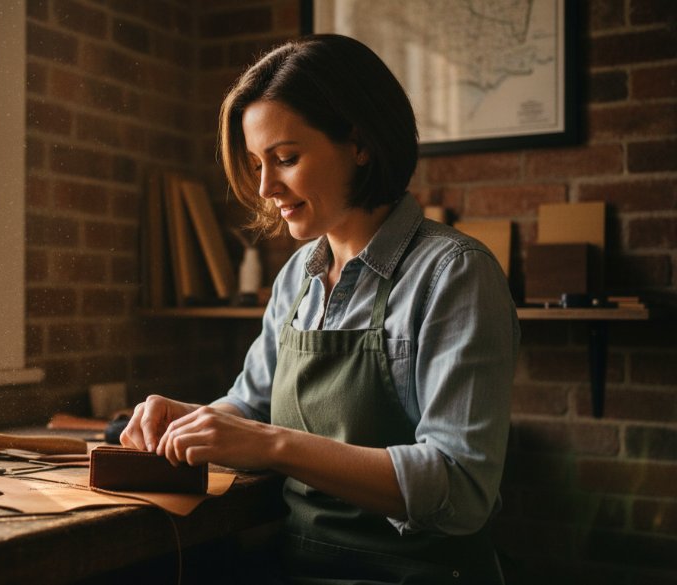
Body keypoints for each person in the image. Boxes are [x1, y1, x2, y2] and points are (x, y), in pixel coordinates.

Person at [121, 34, 519, 584]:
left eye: (285, 158)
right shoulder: (298, 276)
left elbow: (460, 486)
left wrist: (274, 445)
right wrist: (191, 420)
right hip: (299, 566)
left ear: (359, 143)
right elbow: (251, 405)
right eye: (257, 163)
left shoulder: (453, 273)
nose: (266, 187)